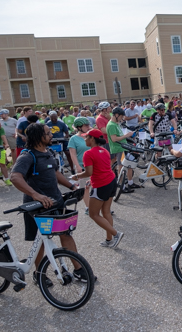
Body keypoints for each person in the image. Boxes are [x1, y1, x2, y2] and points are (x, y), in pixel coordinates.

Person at [10, 123, 88, 283]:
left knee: (66, 234)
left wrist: (71, 185)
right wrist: (35, 195)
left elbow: (55, 172)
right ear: (39, 137)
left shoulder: (49, 152)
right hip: (37, 206)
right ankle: (39, 274)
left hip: (56, 202)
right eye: (47, 133)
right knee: (41, 240)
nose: (51, 135)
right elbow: (15, 177)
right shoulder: (27, 155)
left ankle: (79, 270)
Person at [71, 129, 124, 249]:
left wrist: (76, 176)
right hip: (111, 181)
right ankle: (109, 239)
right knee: (106, 211)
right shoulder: (104, 150)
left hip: (101, 184)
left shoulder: (88, 153)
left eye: (86, 137)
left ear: (92, 139)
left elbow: (88, 171)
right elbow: (103, 168)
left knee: (93, 214)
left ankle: (116, 234)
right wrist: (92, 178)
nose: (84, 139)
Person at [107, 107, 137, 192]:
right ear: (116, 115)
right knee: (121, 166)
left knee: (130, 164)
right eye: (121, 116)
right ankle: (122, 186)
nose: (122, 118)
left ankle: (130, 183)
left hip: (123, 146)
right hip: (118, 147)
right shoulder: (111, 125)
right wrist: (126, 135)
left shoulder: (116, 123)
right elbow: (114, 139)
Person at [68, 117, 92, 214]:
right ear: (79, 127)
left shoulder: (90, 136)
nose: (88, 127)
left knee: (98, 187)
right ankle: (88, 207)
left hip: (94, 166)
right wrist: (77, 166)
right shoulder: (73, 139)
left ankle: (100, 206)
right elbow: (72, 154)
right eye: (85, 125)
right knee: (85, 188)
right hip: (82, 166)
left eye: (88, 125)